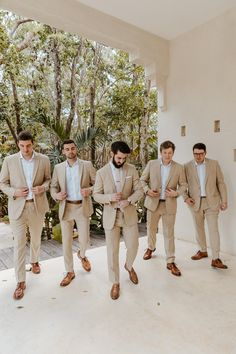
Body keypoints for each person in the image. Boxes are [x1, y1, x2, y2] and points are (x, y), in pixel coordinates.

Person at [0, 131, 51, 299]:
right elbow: (2, 183)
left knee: (36, 238)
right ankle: (20, 281)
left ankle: (35, 260)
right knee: (19, 244)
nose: (25, 149)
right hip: (18, 208)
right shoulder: (9, 161)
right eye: (22, 146)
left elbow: (49, 180)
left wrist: (42, 188)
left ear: (33, 144)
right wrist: (15, 191)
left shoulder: (43, 160)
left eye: (28, 145)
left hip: (36, 207)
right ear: (18, 145)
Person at [93, 141, 143, 300]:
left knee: (134, 245)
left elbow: (140, 190)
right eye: (119, 158)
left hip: (128, 213)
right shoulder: (101, 172)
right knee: (112, 251)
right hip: (110, 216)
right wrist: (110, 198)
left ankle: (128, 266)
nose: (121, 161)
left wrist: (129, 200)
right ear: (112, 154)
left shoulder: (132, 169)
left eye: (124, 158)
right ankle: (115, 282)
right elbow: (96, 195)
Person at [50, 139, 96, 286]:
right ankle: (69, 271)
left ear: (76, 149)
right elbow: (53, 187)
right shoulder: (58, 168)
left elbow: (98, 184)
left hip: (82, 207)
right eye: (67, 149)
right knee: (67, 242)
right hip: (66, 208)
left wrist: (90, 190)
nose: (70, 151)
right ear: (63, 151)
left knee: (85, 240)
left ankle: (82, 255)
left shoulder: (87, 165)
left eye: (72, 148)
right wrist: (56, 195)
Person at [141, 140, 187, 276]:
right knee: (151, 228)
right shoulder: (151, 164)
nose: (167, 155)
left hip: (169, 204)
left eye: (170, 153)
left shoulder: (179, 168)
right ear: (160, 152)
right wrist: (147, 190)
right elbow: (142, 180)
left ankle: (170, 261)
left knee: (169, 233)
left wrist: (176, 193)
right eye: (165, 152)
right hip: (153, 203)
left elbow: (183, 185)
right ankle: (150, 248)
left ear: (173, 153)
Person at [184, 143, 228, 269]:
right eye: (195, 154)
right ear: (193, 153)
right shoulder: (187, 166)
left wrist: (224, 200)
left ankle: (216, 258)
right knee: (199, 229)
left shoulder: (214, 164)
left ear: (205, 153)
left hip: (212, 202)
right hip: (195, 203)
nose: (198, 156)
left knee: (213, 229)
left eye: (201, 153)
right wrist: (186, 198)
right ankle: (202, 250)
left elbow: (221, 182)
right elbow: (182, 184)